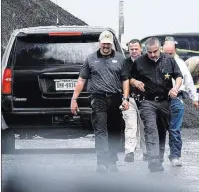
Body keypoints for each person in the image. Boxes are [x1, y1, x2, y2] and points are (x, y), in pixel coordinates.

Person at [70, 30, 130, 173]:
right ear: (100, 43)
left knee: (115, 130)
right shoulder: (91, 59)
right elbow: (81, 80)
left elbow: (125, 80)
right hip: (98, 98)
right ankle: (102, 163)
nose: (106, 46)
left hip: (115, 98)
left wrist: (126, 98)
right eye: (104, 43)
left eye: (108, 44)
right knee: (101, 130)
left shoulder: (120, 58)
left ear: (112, 44)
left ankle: (112, 159)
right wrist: (74, 99)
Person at [129, 37, 183, 172]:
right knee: (150, 128)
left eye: (155, 52)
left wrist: (175, 88)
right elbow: (130, 78)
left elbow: (178, 76)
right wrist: (136, 83)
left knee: (161, 130)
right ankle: (153, 160)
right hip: (147, 101)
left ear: (159, 49)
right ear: (146, 50)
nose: (152, 55)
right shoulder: (139, 62)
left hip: (165, 101)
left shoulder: (169, 60)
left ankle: (158, 159)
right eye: (149, 52)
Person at [163, 41, 199, 167]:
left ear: (175, 51)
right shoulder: (157, 63)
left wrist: (195, 97)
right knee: (158, 129)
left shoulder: (180, 64)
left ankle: (175, 155)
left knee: (175, 129)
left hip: (176, 98)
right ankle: (156, 156)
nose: (168, 56)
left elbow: (188, 80)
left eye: (170, 53)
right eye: (165, 53)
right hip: (160, 100)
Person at [122, 39, 147, 162]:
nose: (134, 51)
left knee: (145, 126)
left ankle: (146, 151)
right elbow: (124, 80)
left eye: (136, 49)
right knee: (130, 126)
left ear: (141, 49)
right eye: (132, 49)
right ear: (128, 50)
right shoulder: (125, 63)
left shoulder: (147, 61)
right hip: (130, 98)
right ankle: (129, 151)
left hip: (145, 99)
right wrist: (125, 99)